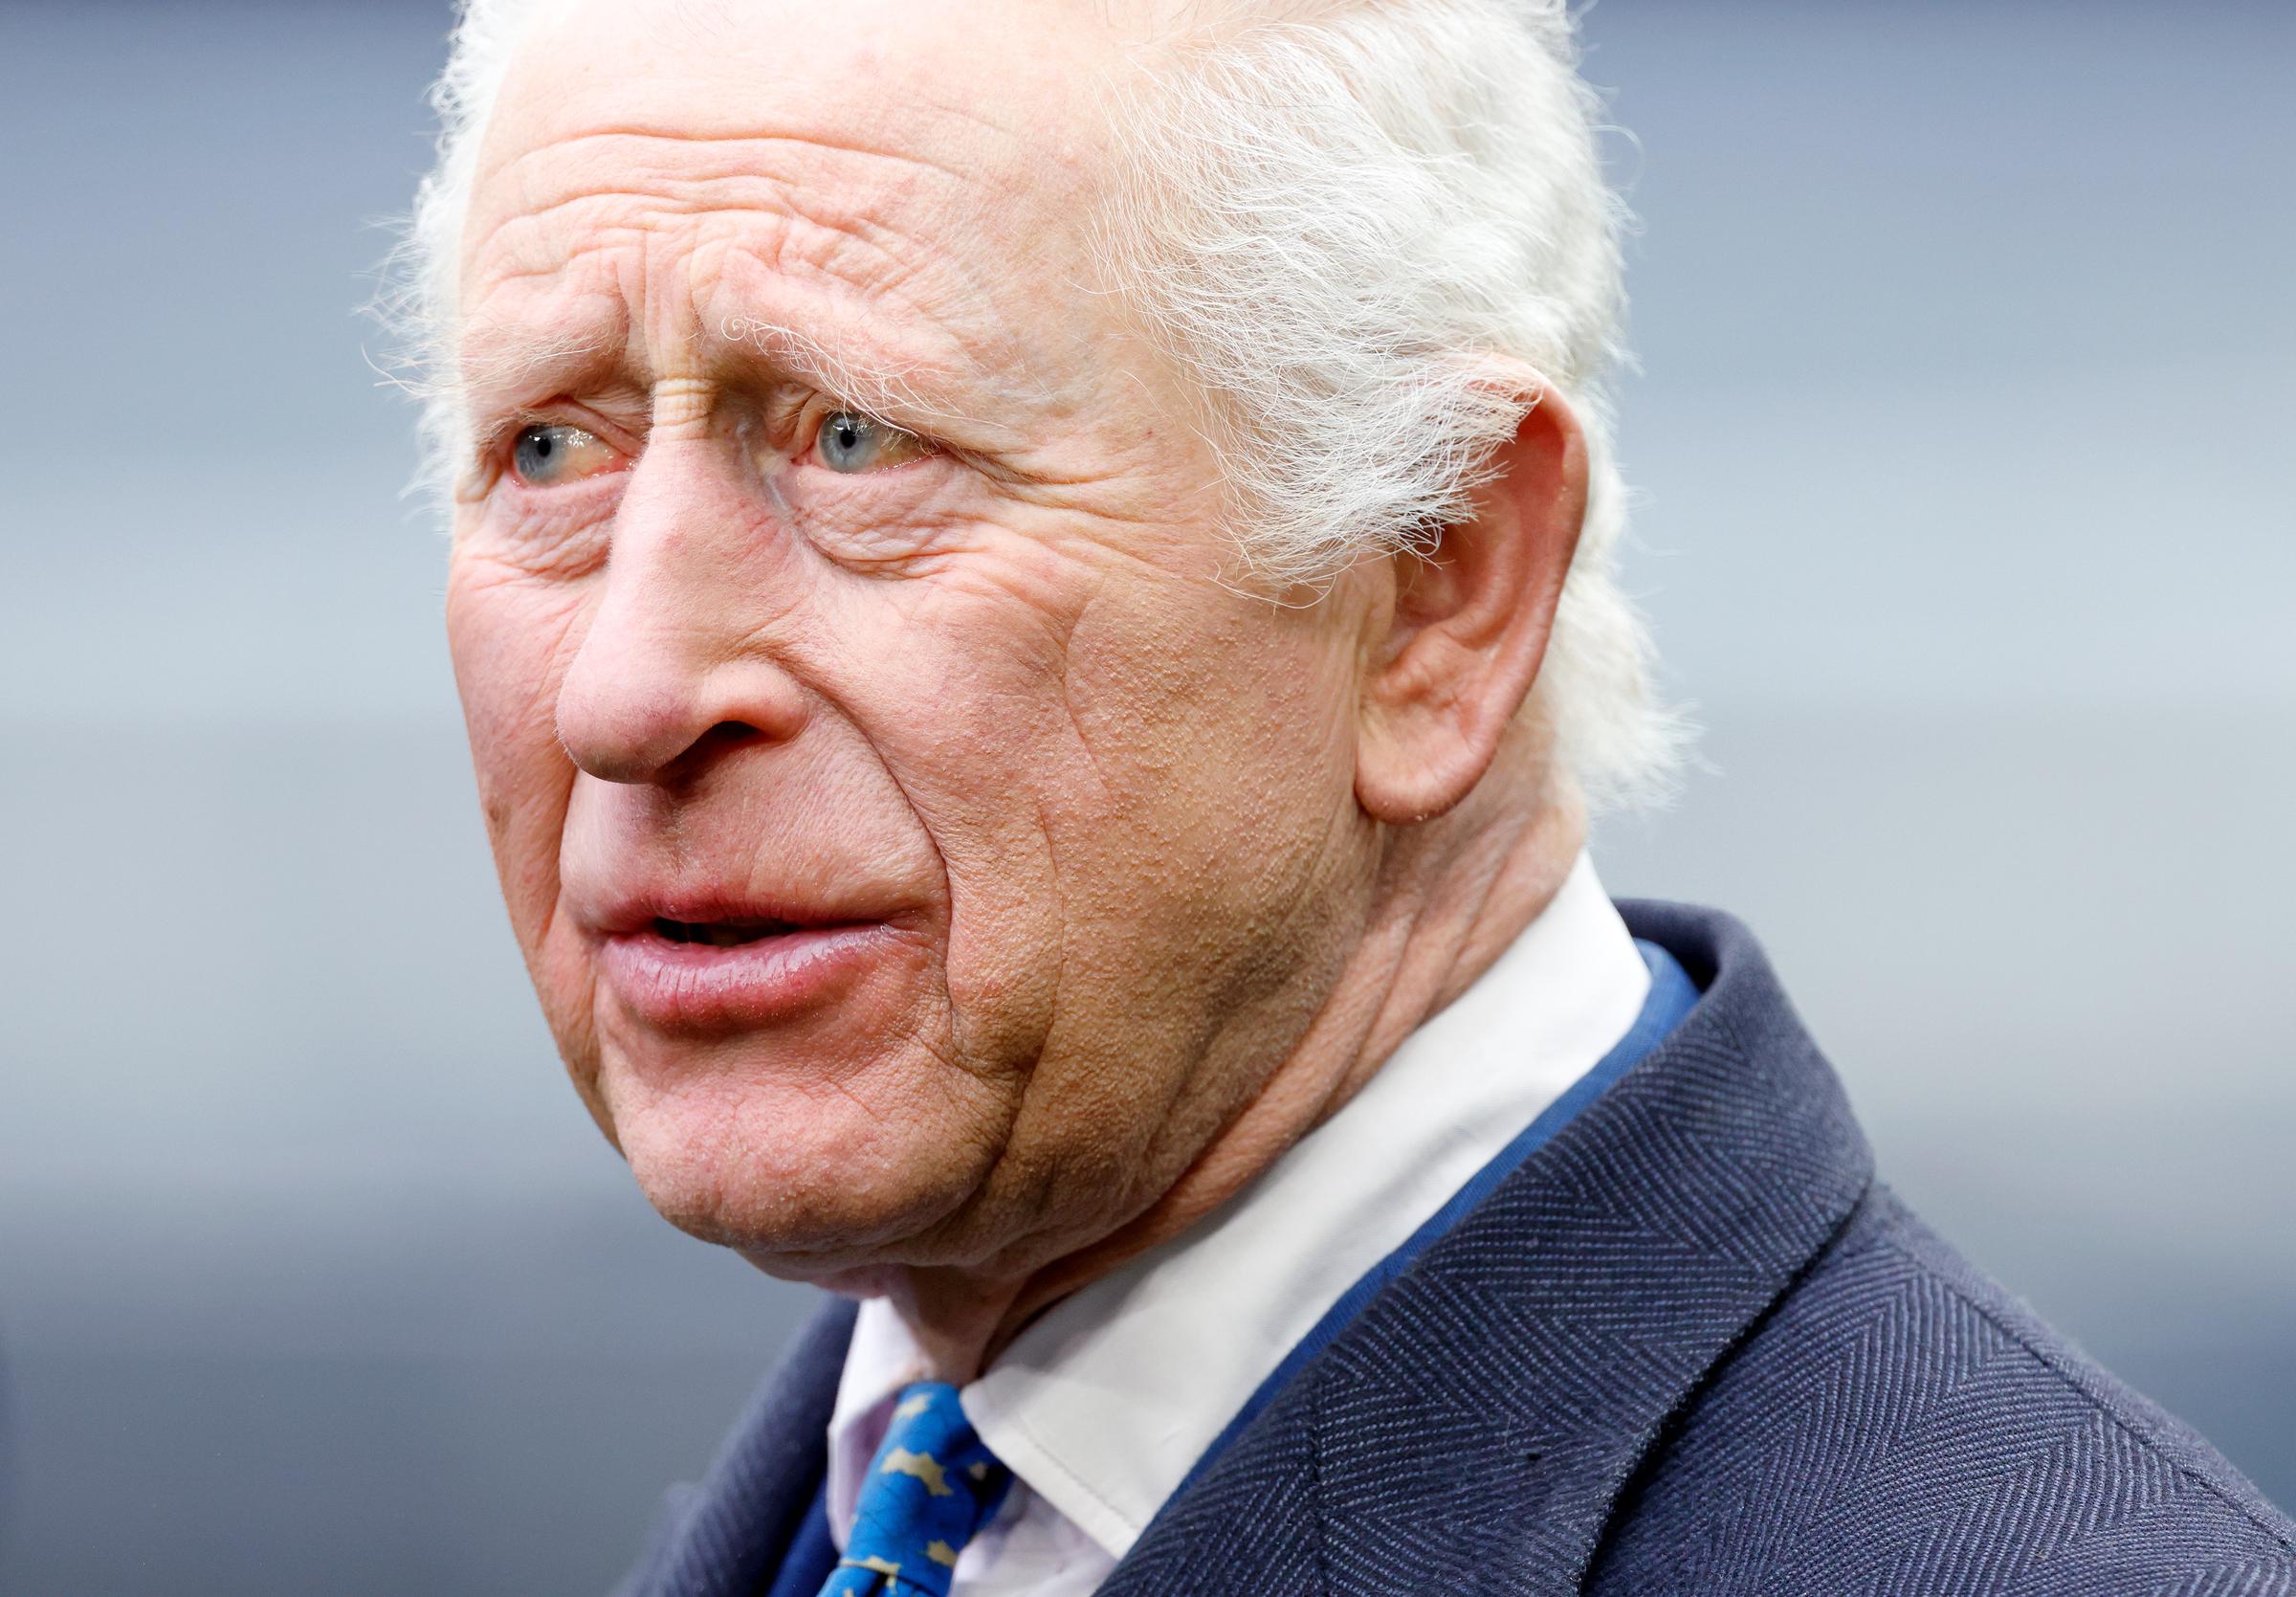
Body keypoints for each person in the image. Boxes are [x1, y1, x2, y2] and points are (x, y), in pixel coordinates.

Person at [396, 1, 2295, 1591]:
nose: (630, 688)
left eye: (855, 437)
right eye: (549, 445)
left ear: (1436, 583)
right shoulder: (863, 1506)